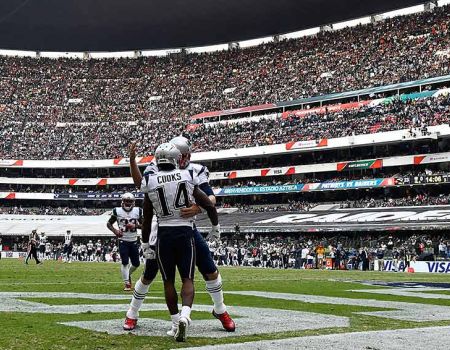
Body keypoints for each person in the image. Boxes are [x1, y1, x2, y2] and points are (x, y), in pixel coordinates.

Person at [124, 139, 235, 334]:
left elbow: (210, 198)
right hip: (162, 227)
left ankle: (220, 310)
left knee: (210, 270)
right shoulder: (158, 167)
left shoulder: (194, 170)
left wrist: (196, 208)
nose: (186, 158)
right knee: (149, 273)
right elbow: (146, 195)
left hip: (186, 227)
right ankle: (132, 312)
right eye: (183, 155)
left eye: (187, 155)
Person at [139, 142, 220, 342]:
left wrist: (145, 244)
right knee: (188, 279)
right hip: (185, 233)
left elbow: (147, 218)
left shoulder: (150, 179)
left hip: (164, 234)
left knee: (168, 281)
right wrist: (215, 227)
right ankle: (185, 315)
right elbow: (209, 204)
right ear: (177, 158)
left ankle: (175, 322)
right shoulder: (187, 175)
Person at [107, 193, 142, 291]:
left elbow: (145, 226)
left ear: (133, 202)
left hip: (134, 239)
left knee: (136, 264)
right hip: (123, 240)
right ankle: (127, 283)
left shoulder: (138, 211)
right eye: (126, 201)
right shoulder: (117, 211)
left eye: (130, 201)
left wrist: (135, 226)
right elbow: (109, 223)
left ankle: (128, 275)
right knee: (125, 262)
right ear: (122, 201)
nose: (128, 203)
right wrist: (115, 231)